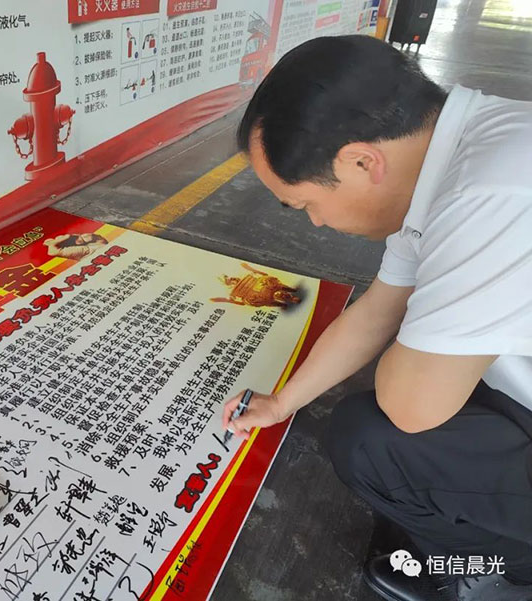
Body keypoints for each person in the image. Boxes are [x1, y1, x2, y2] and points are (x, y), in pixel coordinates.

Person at [223, 35, 532, 601]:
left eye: (305, 204)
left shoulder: (491, 190)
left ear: (363, 161)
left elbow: (412, 405)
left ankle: (507, 571)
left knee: (372, 442)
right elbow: (378, 311)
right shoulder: (458, 152)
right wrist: (282, 403)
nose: (315, 224)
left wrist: (417, 348)